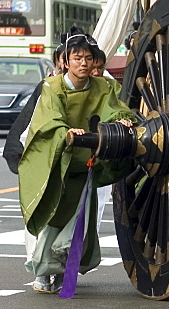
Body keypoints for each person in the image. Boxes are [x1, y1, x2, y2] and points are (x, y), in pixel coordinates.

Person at [19, 31, 136, 295]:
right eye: (77, 58)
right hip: (58, 164)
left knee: (77, 224)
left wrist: (121, 121)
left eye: (87, 58)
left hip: (87, 165)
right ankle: (43, 272)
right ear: (65, 62)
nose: (83, 63)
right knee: (53, 218)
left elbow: (115, 108)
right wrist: (66, 133)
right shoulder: (52, 87)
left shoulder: (104, 87)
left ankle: (58, 272)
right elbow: (49, 120)